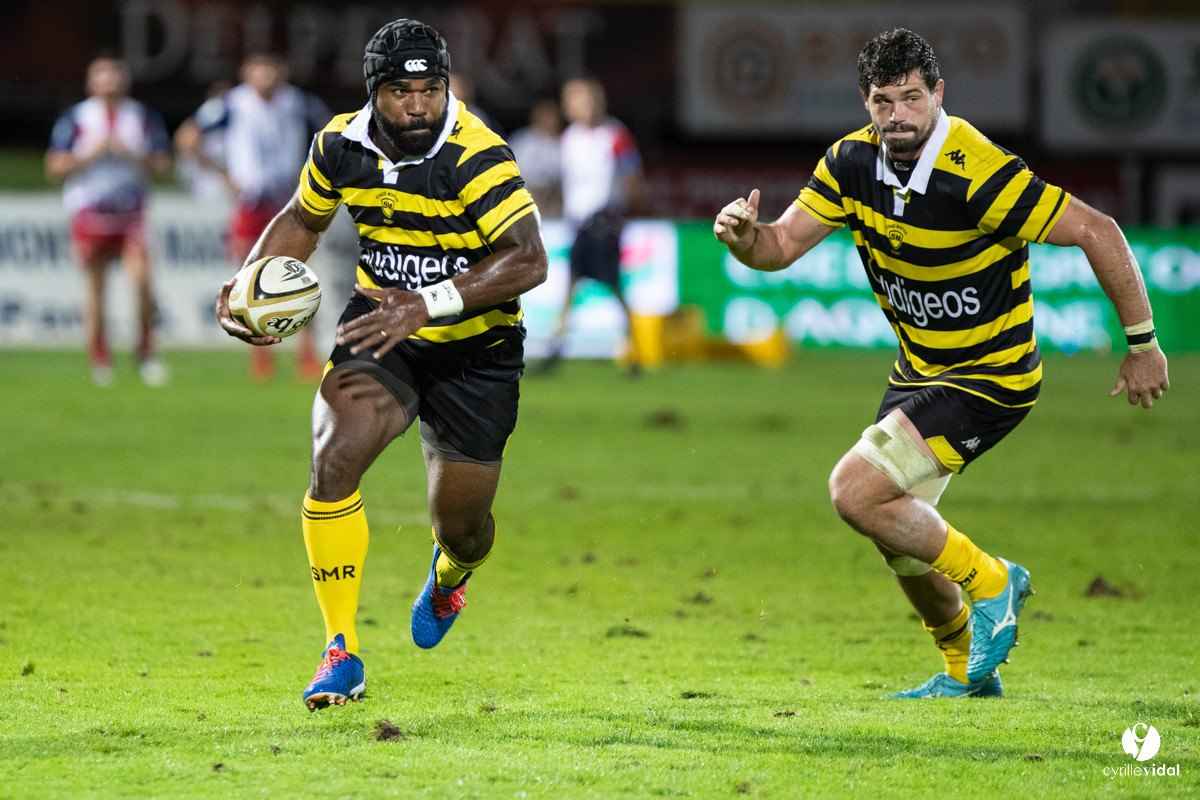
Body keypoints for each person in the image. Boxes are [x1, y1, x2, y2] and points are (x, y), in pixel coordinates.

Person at [713, 28, 1170, 699]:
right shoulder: (849, 164)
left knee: (853, 491)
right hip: (919, 371)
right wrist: (745, 238)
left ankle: (994, 583)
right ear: (865, 102)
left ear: (938, 94)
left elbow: (1098, 230)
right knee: (894, 533)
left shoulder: (977, 171)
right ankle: (966, 670)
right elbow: (779, 246)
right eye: (882, 101)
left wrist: (1142, 342)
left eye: (911, 98)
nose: (897, 114)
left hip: (991, 377)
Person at [214, 19, 547, 711]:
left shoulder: (477, 153)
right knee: (332, 459)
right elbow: (303, 220)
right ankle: (341, 652)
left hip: (475, 353)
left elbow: (528, 260)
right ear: (375, 92)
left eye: (431, 89)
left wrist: (427, 304)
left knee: (463, 526)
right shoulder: (339, 143)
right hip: (379, 330)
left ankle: (451, 572)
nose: (419, 105)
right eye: (401, 91)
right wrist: (249, 282)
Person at [176, 53, 331, 382]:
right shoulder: (231, 104)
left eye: (271, 67)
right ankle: (260, 355)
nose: (265, 75)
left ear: (283, 70)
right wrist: (223, 175)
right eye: (259, 68)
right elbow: (187, 138)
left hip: (290, 202)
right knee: (249, 282)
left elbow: (333, 134)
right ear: (246, 73)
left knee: (299, 277)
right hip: (250, 201)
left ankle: (307, 354)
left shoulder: (298, 102)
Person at [46, 55, 172, 387]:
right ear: (91, 82)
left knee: (143, 281)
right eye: (102, 75)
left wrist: (132, 154)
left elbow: (163, 166)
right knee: (96, 288)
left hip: (132, 211)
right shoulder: (76, 118)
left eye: (115, 74)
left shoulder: (142, 117)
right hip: (91, 211)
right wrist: (91, 154)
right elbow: (53, 167)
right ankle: (100, 355)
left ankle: (145, 351)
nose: (110, 82)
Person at [544, 77, 646, 373]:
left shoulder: (615, 135)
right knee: (572, 285)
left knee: (614, 287)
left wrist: (622, 215)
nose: (577, 106)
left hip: (603, 223)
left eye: (582, 99)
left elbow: (632, 180)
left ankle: (635, 351)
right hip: (578, 224)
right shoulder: (570, 138)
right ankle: (556, 347)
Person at [508, 97, 563, 218]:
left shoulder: (565, 141)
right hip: (526, 208)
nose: (549, 119)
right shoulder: (522, 141)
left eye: (552, 114)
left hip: (557, 212)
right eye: (544, 114)